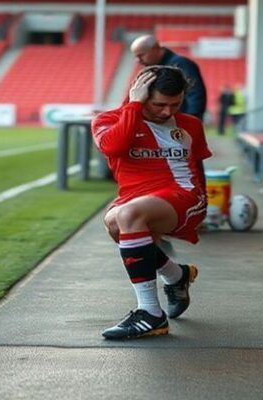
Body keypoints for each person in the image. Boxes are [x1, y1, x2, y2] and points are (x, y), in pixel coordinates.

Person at [92, 65, 212, 340]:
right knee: (114, 222)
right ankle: (177, 275)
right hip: (136, 198)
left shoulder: (190, 125)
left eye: (175, 104)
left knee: (128, 215)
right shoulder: (108, 121)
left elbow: (198, 166)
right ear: (140, 94)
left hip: (184, 194)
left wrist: (203, 205)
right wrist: (133, 106)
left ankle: (150, 313)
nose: (168, 112)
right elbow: (113, 147)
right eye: (159, 104)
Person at [130, 34, 208, 121]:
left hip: (180, 122)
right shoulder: (157, 68)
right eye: (136, 56)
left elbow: (195, 93)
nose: (138, 60)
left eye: (141, 55)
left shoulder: (181, 64)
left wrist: (191, 120)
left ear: (155, 48)